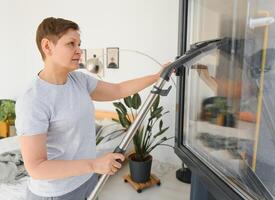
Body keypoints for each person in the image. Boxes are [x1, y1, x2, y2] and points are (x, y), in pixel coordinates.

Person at [15, 17, 168, 200]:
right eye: (71, 44)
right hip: (56, 193)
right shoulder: (33, 99)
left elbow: (118, 89)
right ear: (47, 46)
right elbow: (36, 168)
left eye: (79, 44)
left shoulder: (79, 80)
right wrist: (94, 165)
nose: (79, 51)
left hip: (86, 181)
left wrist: (156, 77)